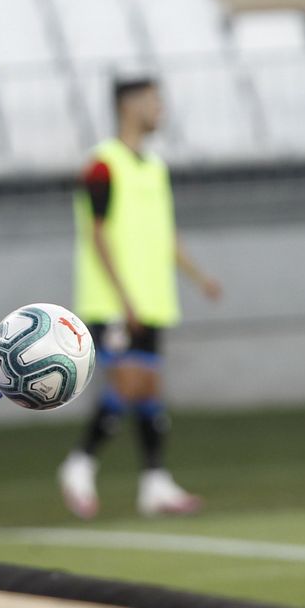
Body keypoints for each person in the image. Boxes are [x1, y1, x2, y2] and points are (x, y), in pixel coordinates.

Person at [57, 78, 222, 519]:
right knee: (129, 385)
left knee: (149, 389)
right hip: (114, 302)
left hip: (152, 300)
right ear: (127, 106)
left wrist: (198, 277)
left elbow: (165, 235)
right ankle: (79, 465)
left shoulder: (154, 168)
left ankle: (155, 483)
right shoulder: (102, 165)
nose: (160, 109)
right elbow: (96, 235)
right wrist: (123, 297)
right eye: (152, 101)